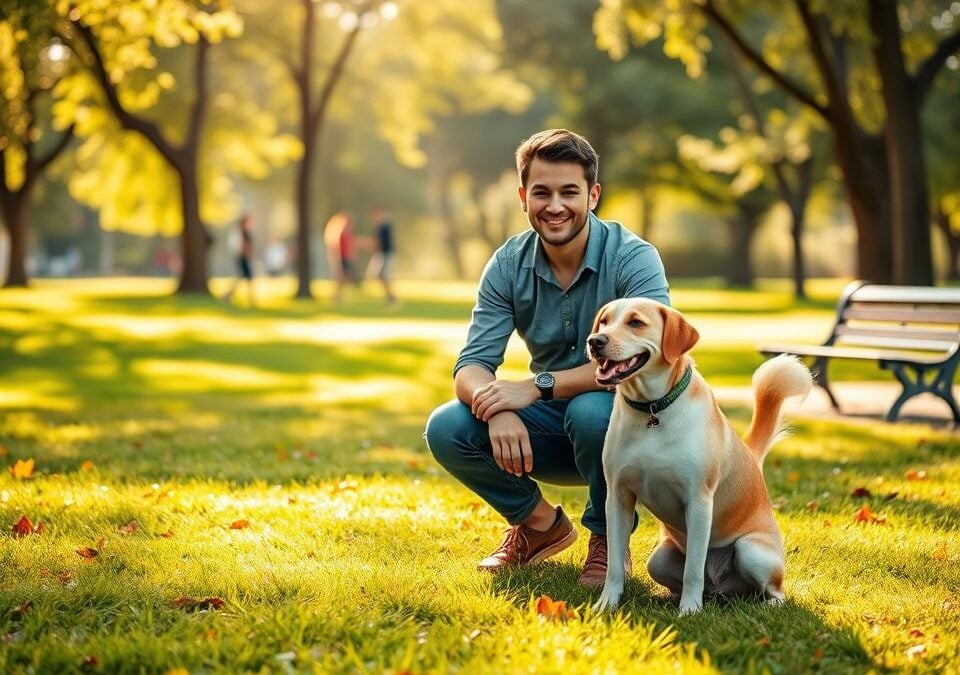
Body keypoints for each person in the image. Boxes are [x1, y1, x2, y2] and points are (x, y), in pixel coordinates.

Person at [424, 129, 670, 586]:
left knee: (592, 409)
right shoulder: (507, 264)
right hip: (550, 432)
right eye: (542, 192)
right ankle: (540, 525)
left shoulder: (632, 258)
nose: (555, 206)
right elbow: (471, 365)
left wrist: (536, 387)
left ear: (593, 195)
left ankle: (608, 539)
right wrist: (495, 407)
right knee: (447, 426)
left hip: (627, 430)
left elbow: (650, 359)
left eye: (569, 192)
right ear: (523, 198)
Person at [323, 211, 358, 304]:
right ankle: (335, 297)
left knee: (344, 278)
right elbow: (336, 246)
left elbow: (350, 245)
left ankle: (338, 297)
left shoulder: (346, 232)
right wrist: (336, 258)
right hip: (341, 257)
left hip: (345, 257)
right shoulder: (340, 231)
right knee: (341, 278)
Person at [366, 205, 397, 305]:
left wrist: (365, 244)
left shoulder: (384, 226)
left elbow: (378, 243)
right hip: (381, 255)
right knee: (379, 275)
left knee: (384, 275)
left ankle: (392, 298)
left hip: (386, 254)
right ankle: (390, 297)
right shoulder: (380, 226)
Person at [222, 213, 256, 307]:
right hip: (242, 258)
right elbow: (241, 246)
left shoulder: (245, 232)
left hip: (245, 257)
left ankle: (228, 295)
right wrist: (245, 254)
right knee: (247, 278)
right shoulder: (240, 232)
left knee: (243, 278)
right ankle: (250, 299)